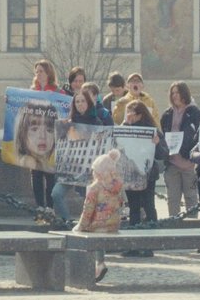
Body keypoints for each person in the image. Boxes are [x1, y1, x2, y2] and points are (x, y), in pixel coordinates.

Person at [121, 101, 169, 255]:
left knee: (148, 207)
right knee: (134, 209)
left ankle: (149, 245)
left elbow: (163, 154)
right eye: (127, 112)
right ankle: (133, 246)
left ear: (140, 115)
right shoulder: (124, 128)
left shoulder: (153, 130)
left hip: (148, 174)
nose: (128, 115)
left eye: (131, 113)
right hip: (130, 173)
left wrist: (156, 144)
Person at [72, 149, 125, 283]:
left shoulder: (94, 188)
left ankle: (98, 264)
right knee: (100, 231)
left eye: (94, 170)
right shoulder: (118, 185)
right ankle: (99, 263)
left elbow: (88, 211)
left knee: (88, 232)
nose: (93, 172)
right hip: (114, 223)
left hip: (99, 224)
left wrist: (80, 226)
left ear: (99, 172)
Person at [51, 89, 102, 221]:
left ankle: (86, 223)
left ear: (88, 102)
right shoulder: (68, 123)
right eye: (77, 102)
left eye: (83, 101)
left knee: (89, 199)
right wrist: (62, 127)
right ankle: (67, 221)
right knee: (56, 194)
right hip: (70, 167)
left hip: (90, 169)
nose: (80, 104)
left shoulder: (97, 122)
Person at [159, 81, 200, 218]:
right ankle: (173, 228)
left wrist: (192, 154)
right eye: (172, 93)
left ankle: (192, 228)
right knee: (173, 199)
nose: (175, 96)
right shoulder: (167, 114)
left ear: (184, 93)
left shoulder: (195, 113)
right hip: (171, 162)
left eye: (177, 92)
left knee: (191, 198)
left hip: (189, 163)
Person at [28, 59, 59, 210]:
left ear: (48, 73)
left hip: (50, 137)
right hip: (35, 137)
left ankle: (51, 207)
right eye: (37, 72)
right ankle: (40, 205)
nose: (39, 74)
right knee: (36, 173)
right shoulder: (32, 92)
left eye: (41, 71)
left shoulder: (57, 91)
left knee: (50, 174)